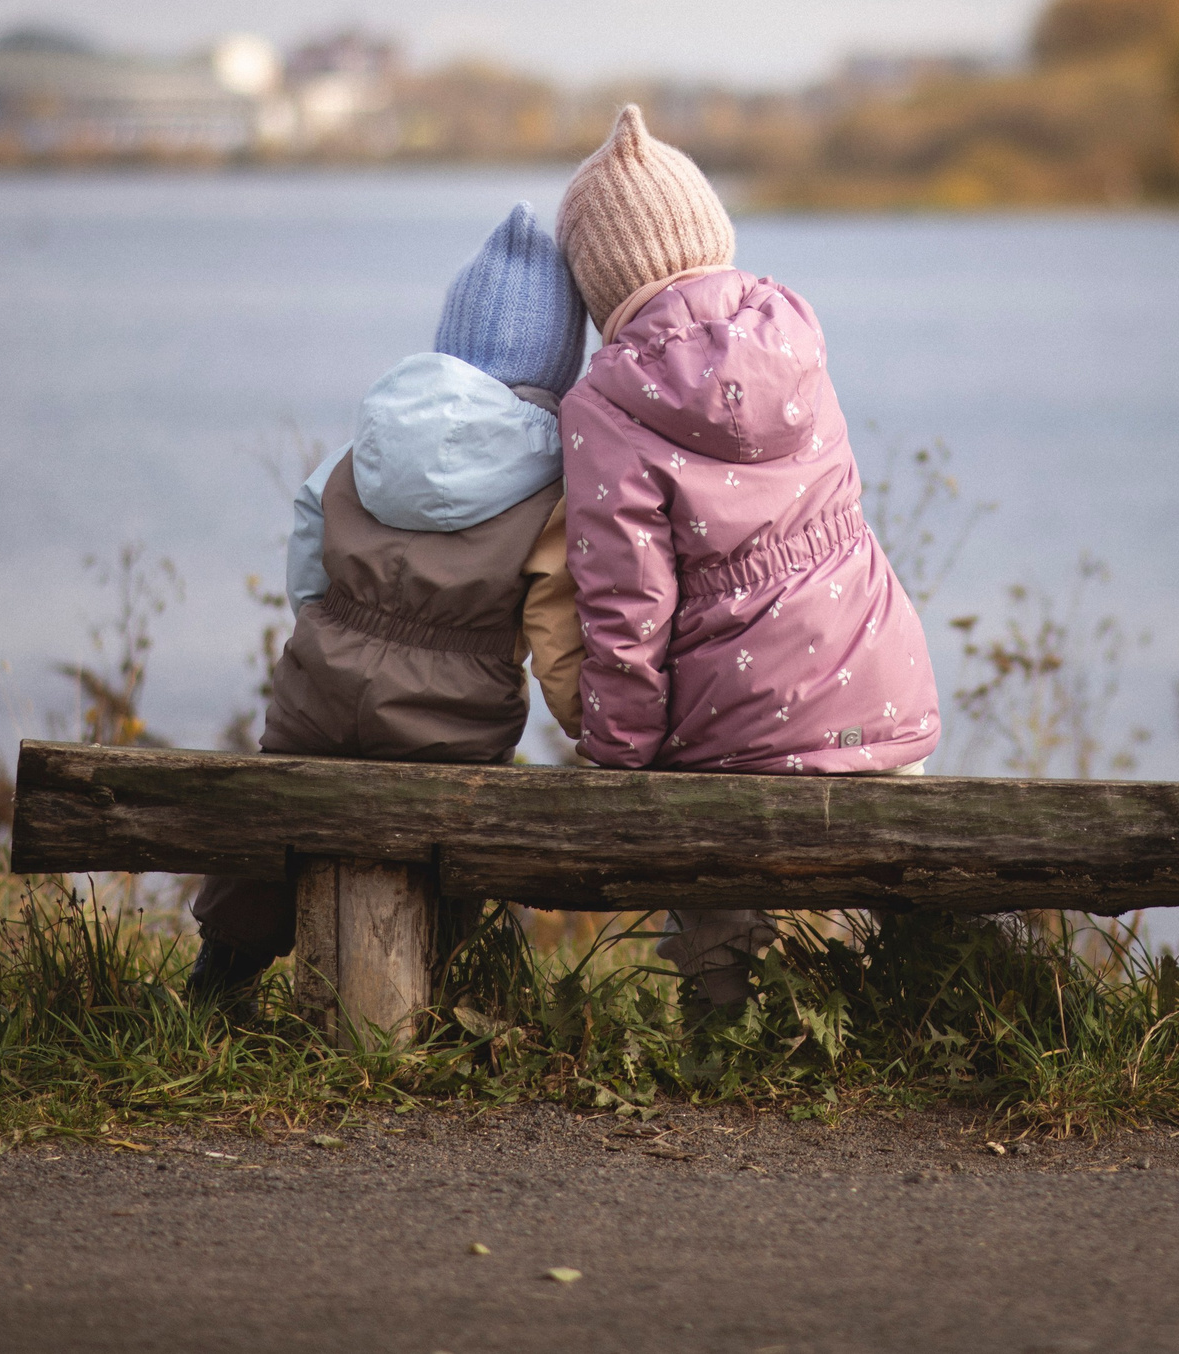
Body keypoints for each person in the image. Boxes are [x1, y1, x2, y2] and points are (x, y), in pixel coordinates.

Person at [556, 104, 942, 1017]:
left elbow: (627, 611)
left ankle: (725, 1034)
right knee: (856, 910)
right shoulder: (797, 336)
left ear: (599, 287)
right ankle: (875, 1025)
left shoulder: (605, 406)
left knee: (719, 913)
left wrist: (616, 754)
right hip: (883, 688)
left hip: (738, 729)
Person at [185, 202, 590, 1004]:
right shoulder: (552, 482)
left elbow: (308, 538)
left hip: (317, 696)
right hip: (449, 727)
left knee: (273, 820)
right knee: (467, 835)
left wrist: (323, 629)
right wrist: (589, 716)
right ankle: (453, 989)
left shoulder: (370, 442)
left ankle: (222, 972)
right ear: (558, 365)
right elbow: (551, 620)